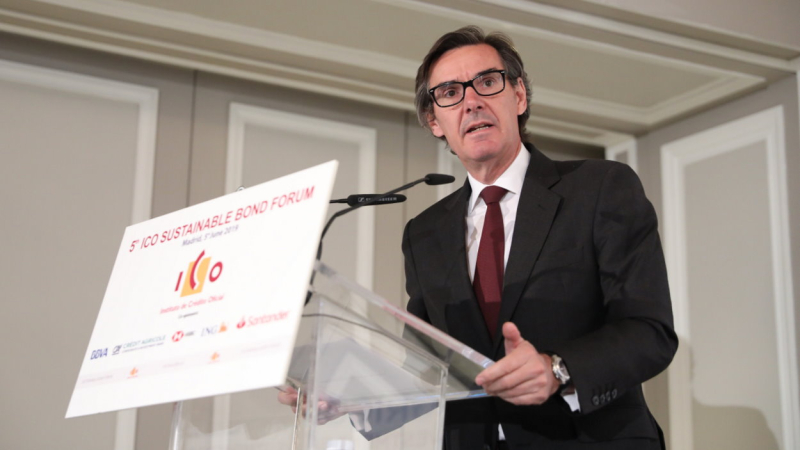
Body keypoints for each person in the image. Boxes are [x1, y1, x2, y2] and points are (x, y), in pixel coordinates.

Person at [400, 25, 678, 449]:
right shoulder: (424, 233)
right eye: (450, 92)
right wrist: (340, 395)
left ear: (519, 97)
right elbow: (424, 365)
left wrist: (558, 369)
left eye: (487, 82)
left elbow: (649, 330)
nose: (471, 101)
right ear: (435, 122)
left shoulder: (600, 188)